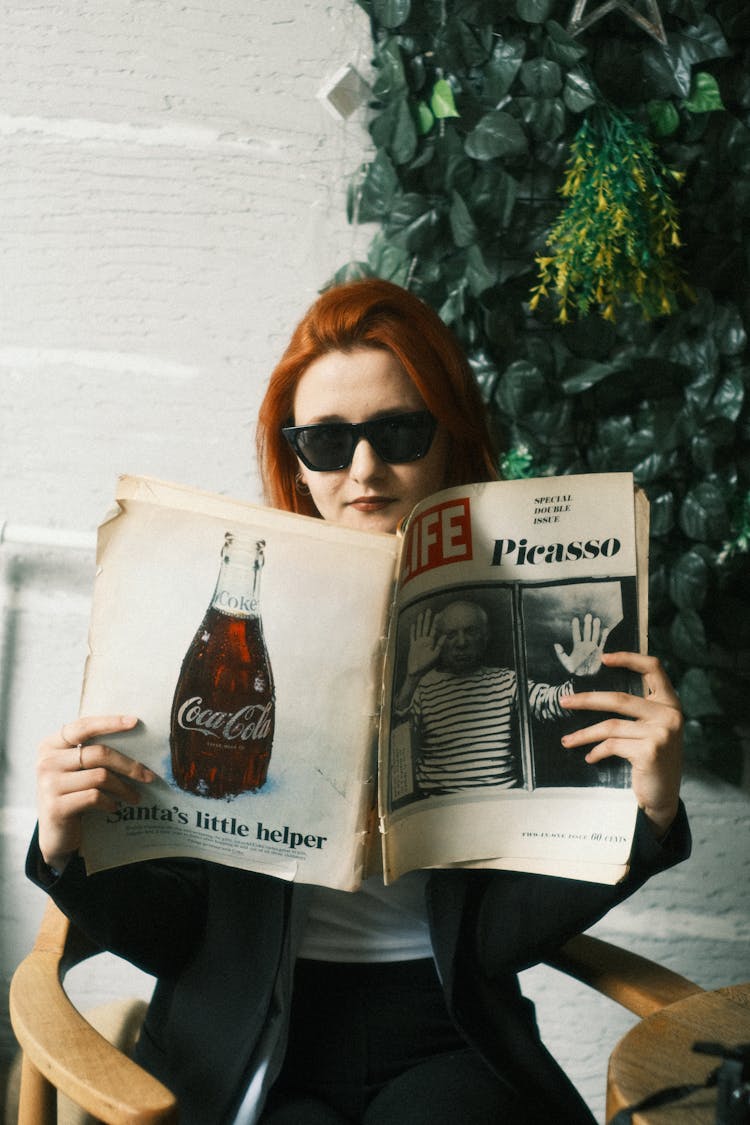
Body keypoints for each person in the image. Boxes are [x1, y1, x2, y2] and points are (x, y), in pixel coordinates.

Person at [30, 279, 688, 1125]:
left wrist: (649, 811)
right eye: (328, 441)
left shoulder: (516, 628)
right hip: (250, 1036)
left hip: (448, 1028)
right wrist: (66, 844)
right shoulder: (215, 619)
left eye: (400, 432)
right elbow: (176, 938)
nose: (365, 471)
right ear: (295, 457)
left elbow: (495, 937)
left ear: (450, 438)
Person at [395, 602, 612, 794]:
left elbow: (551, 703)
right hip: (440, 810)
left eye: (470, 632)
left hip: (502, 806)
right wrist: (412, 677)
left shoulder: (506, 681)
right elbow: (398, 743)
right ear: (439, 641)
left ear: (486, 636)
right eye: (451, 635)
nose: (461, 643)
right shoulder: (422, 687)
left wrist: (581, 678)